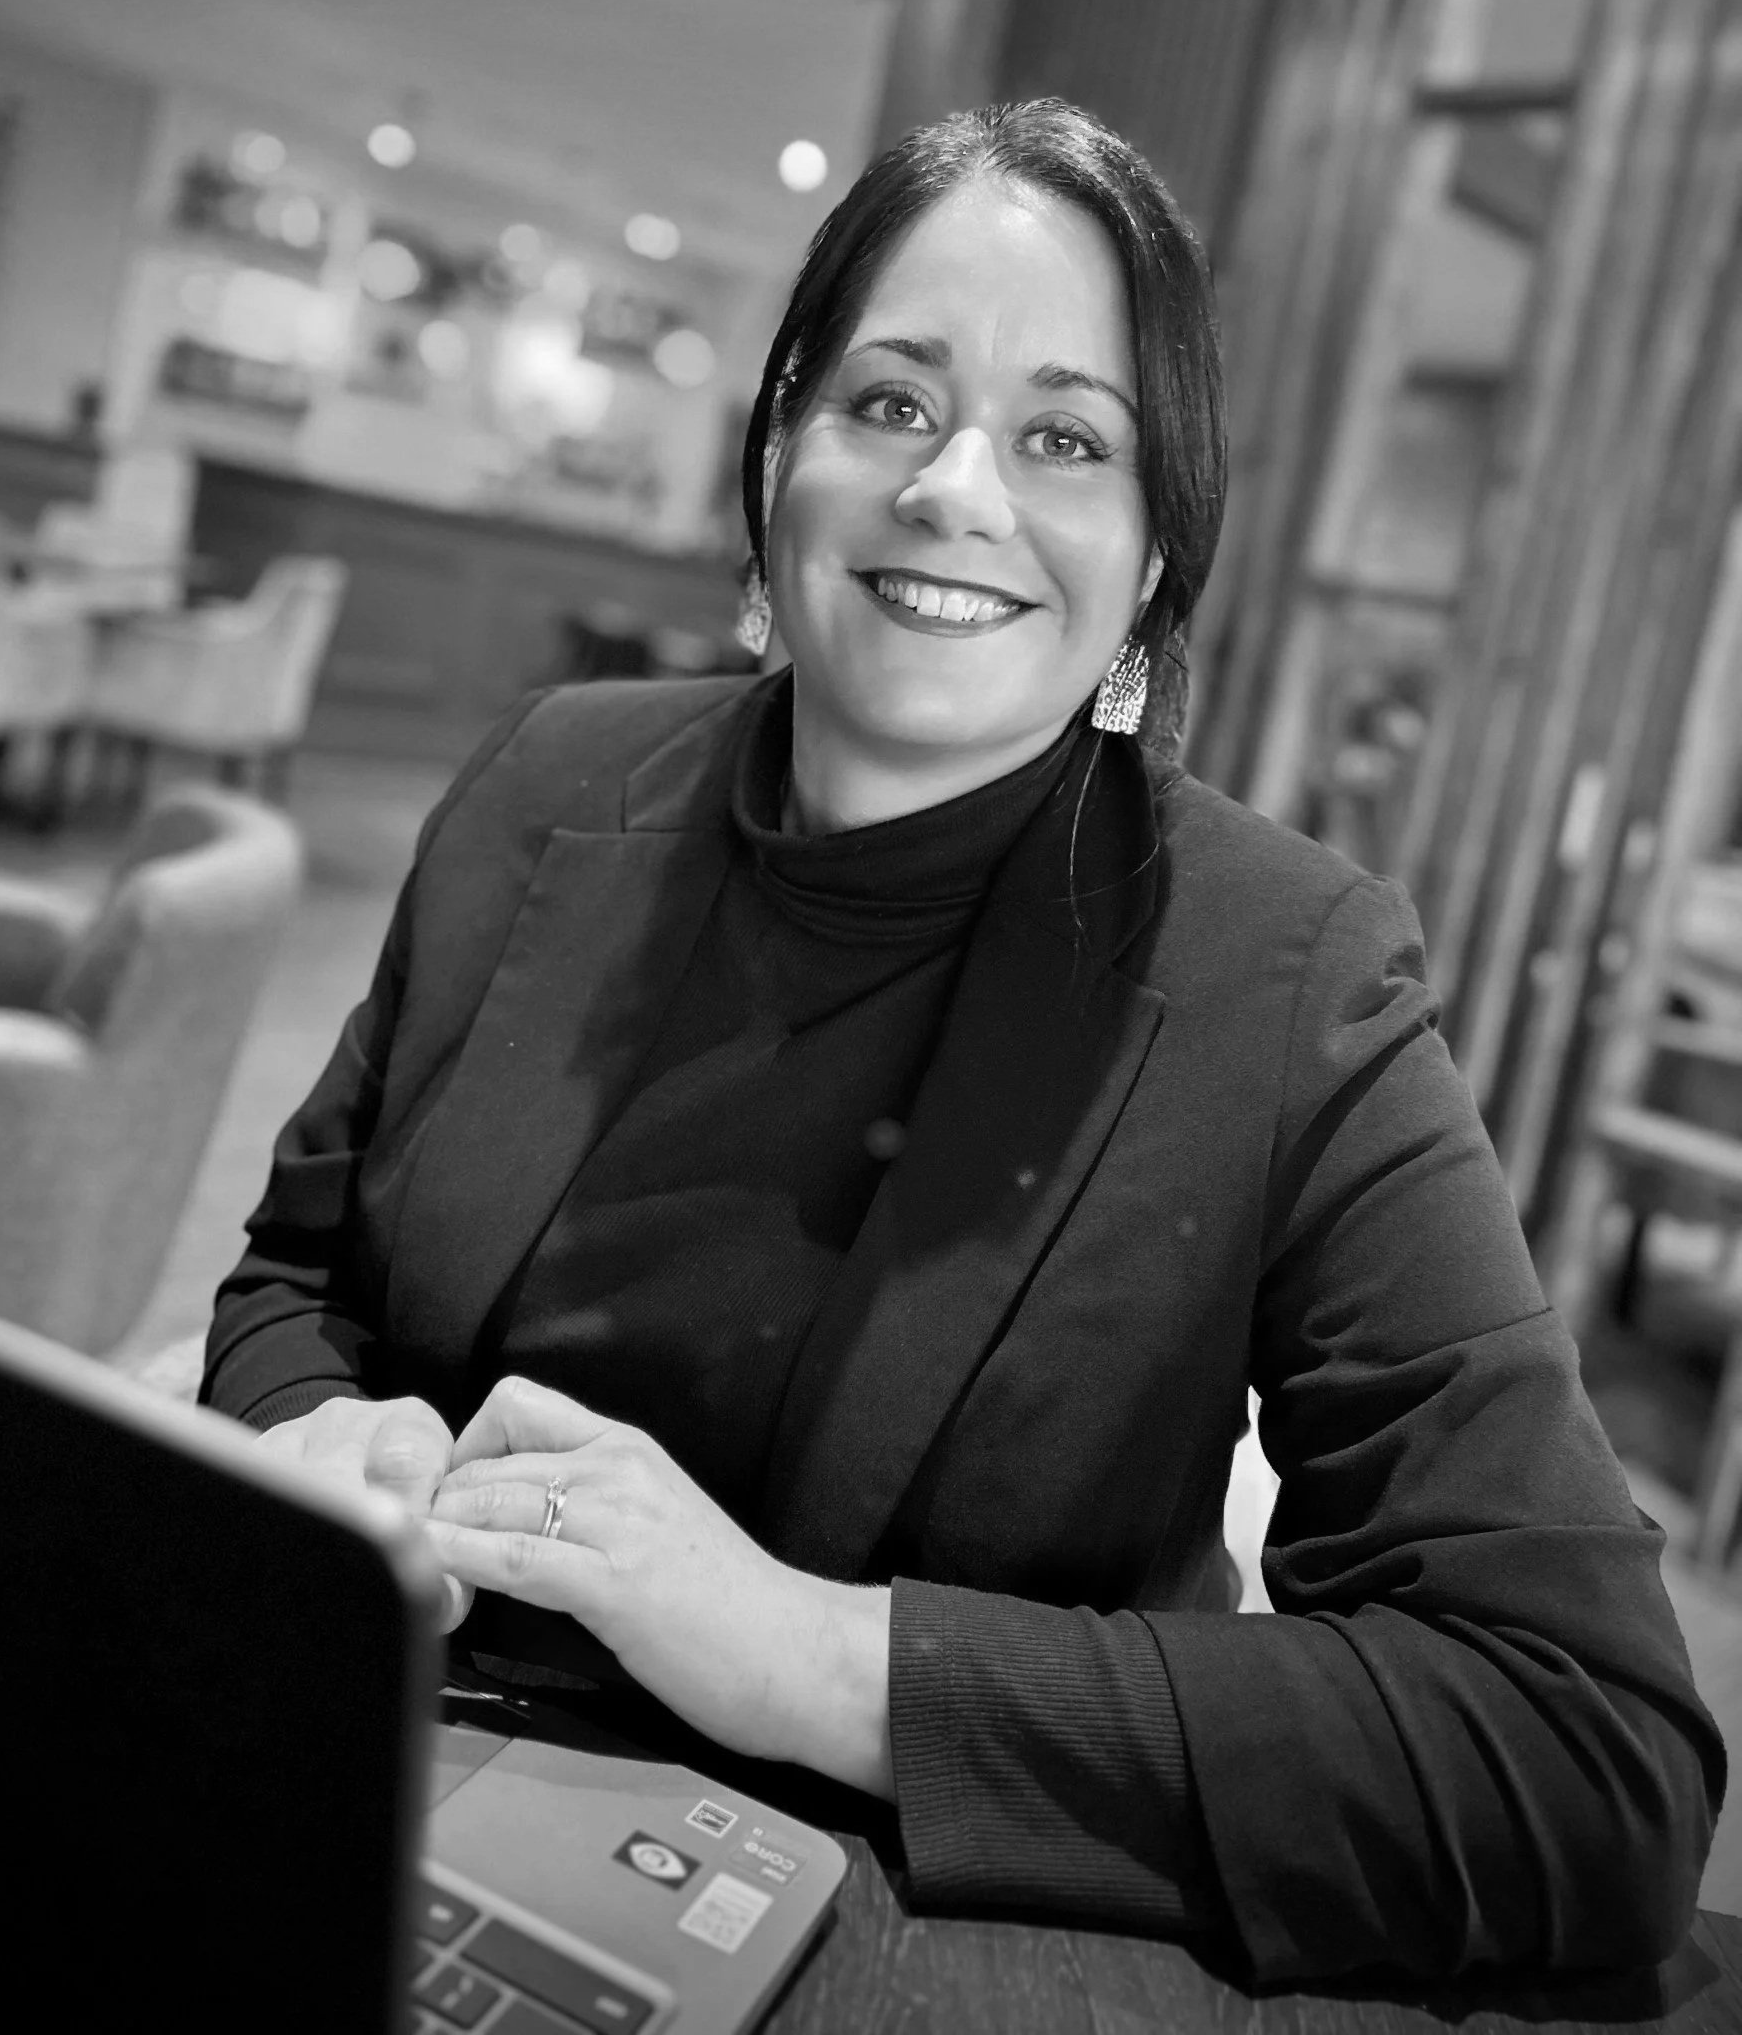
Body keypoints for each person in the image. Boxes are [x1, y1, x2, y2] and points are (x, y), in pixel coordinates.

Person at [203, 99, 1721, 1985]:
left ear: (1156, 567)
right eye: (892, 404)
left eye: (1068, 439)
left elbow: (1588, 1755)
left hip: (902, 1923)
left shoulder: (1288, 974)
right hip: (411, 1805)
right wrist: (317, 1447)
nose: (957, 491)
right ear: (779, 462)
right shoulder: (543, 781)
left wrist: (812, 1656)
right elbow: (293, 1279)